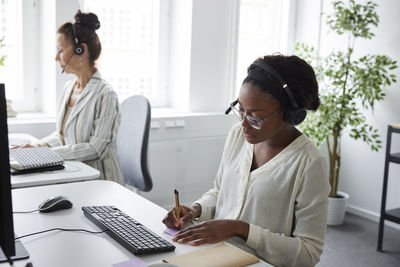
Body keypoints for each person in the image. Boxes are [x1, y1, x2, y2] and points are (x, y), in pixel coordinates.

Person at [162, 54, 330, 266]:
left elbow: (308, 253)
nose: (243, 124)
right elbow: (220, 192)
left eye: (255, 117)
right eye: (240, 110)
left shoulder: (309, 163)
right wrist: (197, 209)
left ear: (290, 115)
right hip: (216, 256)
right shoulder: (238, 135)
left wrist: (241, 229)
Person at [14, 10, 123, 184]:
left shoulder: (106, 95)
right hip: (75, 175)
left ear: (81, 50)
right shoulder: (68, 89)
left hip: (101, 182)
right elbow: (64, 136)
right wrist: (36, 147)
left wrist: (45, 154)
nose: (56, 57)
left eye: (60, 50)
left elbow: (96, 149)